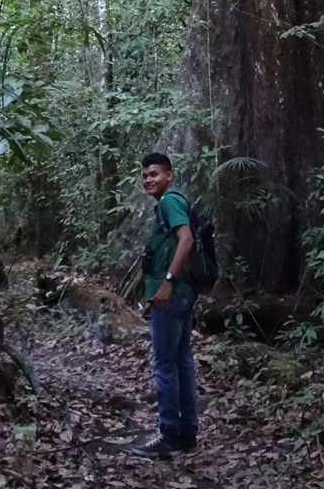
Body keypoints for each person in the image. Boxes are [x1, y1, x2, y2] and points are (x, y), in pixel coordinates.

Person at [130, 152, 199, 459]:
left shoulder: (170, 201)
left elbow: (187, 240)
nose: (148, 179)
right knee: (181, 361)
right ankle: (187, 433)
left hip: (174, 293)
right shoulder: (167, 203)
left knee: (165, 365)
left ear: (170, 175)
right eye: (145, 175)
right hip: (179, 293)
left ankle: (169, 432)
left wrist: (168, 281)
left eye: (154, 174)